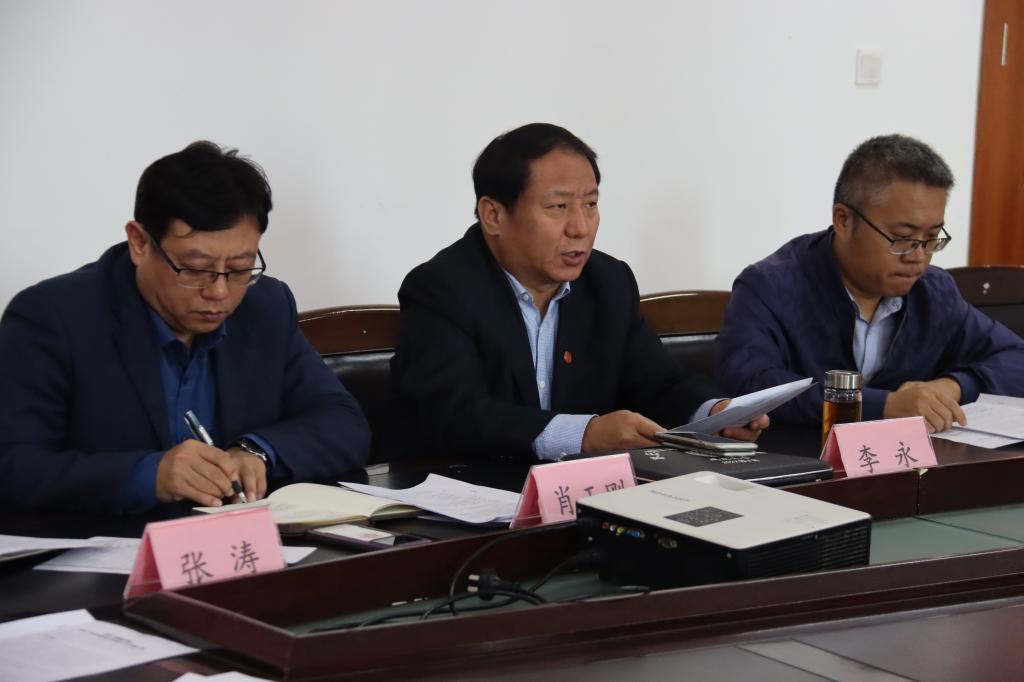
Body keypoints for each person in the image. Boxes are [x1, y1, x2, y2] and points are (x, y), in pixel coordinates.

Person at [0, 141, 370, 514]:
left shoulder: (265, 306)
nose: (219, 292)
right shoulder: (54, 317)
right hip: (109, 542)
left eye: (240, 268)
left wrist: (256, 451)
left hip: (236, 541)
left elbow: (344, 423)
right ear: (139, 242)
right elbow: (13, 465)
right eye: (195, 269)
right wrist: (149, 475)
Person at [392, 123, 767, 461]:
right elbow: (454, 413)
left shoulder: (608, 282)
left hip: (583, 496)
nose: (580, 227)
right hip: (469, 491)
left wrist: (714, 414)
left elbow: (659, 384)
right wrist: (582, 434)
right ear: (494, 215)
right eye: (558, 207)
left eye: (590, 204)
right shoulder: (441, 288)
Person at [716, 134, 1024, 433]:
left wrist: (952, 387)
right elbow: (749, 384)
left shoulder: (934, 291)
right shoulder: (771, 286)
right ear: (843, 220)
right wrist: (883, 405)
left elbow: (1016, 358)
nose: (918, 257)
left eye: (932, 238)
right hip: (803, 464)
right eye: (902, 238)